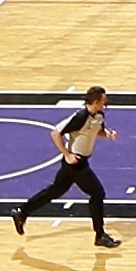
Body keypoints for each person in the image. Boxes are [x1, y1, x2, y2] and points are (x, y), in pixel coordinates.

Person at [13, 85, 121, 248]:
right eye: (103, 101)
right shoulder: (80, 116)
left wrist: (108, 134)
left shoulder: (99, 115)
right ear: (96, 101)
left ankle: (22, 212)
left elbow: (97, 131)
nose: (106, 104)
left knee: (56, 190)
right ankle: (100, 235)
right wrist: (67, 154)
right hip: (76, 163)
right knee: (97, 193)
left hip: (80, 162)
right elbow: (55, 133)